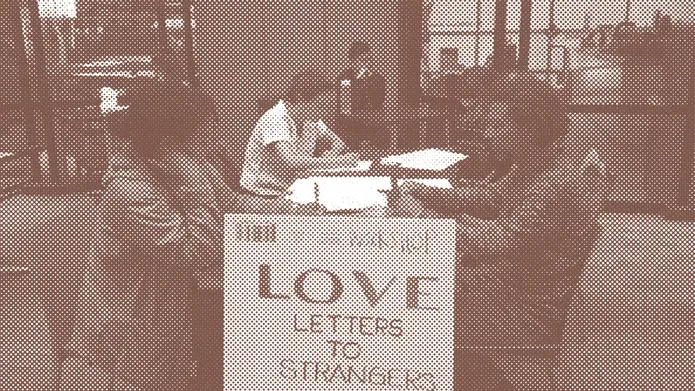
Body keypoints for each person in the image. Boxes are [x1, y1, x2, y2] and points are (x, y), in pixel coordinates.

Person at [400, 75, 608, 390]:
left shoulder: (558, 181)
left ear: (529, 130)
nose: (486, 133)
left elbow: (497, 240)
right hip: (511, 280)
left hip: (527, 307)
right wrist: (422, 191)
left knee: (412, 318)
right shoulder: (536, 160)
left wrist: (419, 217)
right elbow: (490, 199)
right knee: (417, 297)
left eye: (497, 126)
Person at [62, 80, 235, 391]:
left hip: (162, 314)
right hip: (127, 342)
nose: (215, 138)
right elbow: (197, 252)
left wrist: (293, 209)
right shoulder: (131, 189)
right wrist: (194, 185)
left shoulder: (187, 164)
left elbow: (233, 203)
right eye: (207, 130)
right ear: (170, 140)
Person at [238, 70, 358, 212]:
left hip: (292, 190)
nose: (323, 112)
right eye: (320, 105)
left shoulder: (311, 118)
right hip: (262, 197)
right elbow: (292, 161)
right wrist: (338, 161)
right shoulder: (275, 118)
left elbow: (338, 143)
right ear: (301, 99)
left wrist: (330, 156)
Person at [337, 41, 388, 151]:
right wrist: (359, 81)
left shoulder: (378, 79)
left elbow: (378, 104)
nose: (366, 64)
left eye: (368, 60)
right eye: (362, 60)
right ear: (352, 60)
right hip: (352, 129)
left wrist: (367, 80)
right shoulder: (344, 79)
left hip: (374, 128)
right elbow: (346, 110)